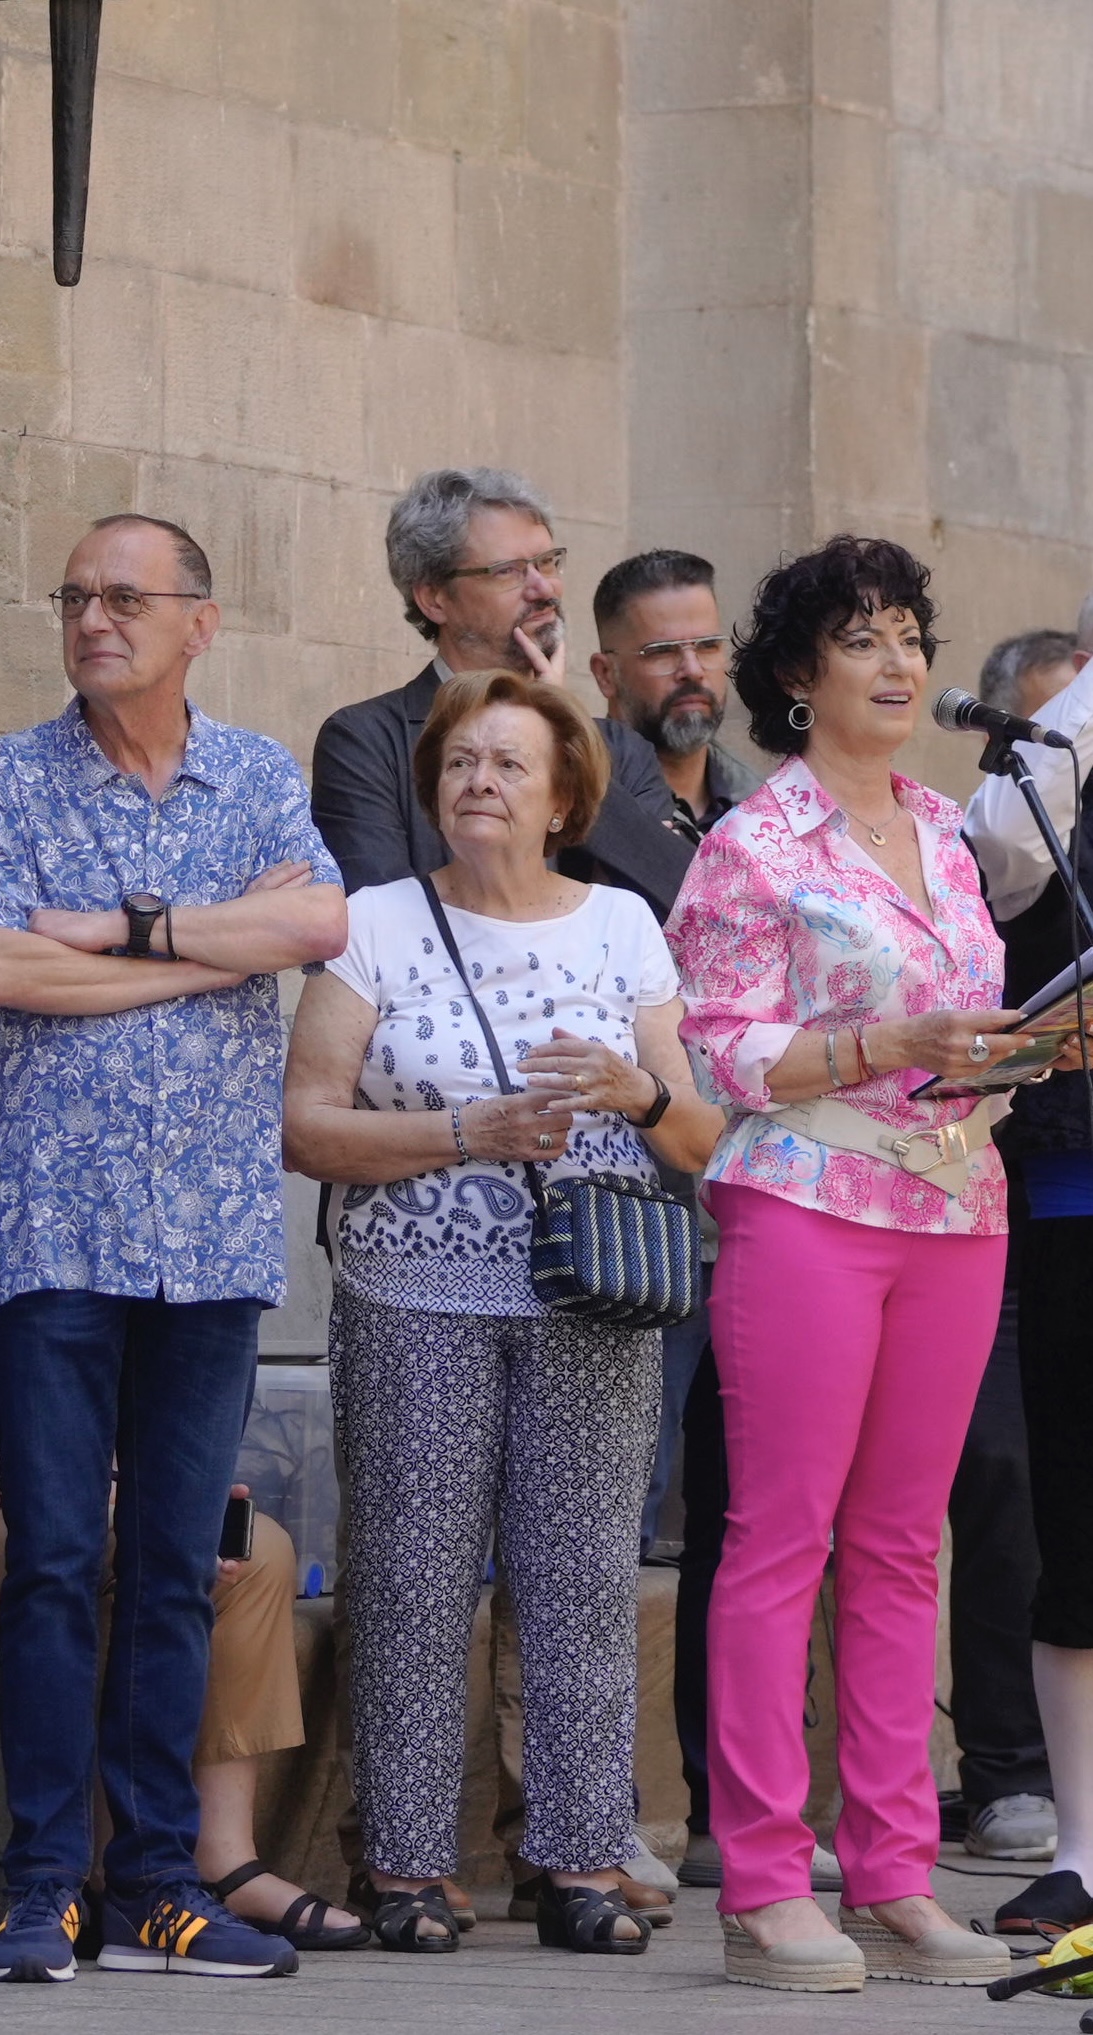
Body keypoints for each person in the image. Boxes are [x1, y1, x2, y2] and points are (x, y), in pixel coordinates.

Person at [0, 512, 345, 1983]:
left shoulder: (256, 775)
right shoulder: (5, 774)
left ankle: (156, 1884)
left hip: (214, 1239)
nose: (92, 617)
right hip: (55, 1229)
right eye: (74, 595)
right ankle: (45, 1877)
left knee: (177, 1563)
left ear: (200, 620)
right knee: (55, 1557)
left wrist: (122, 932)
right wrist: (195, 957)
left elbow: (317, 919)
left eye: (124, 596)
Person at [283, 668, 721, 1956]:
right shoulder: (373, 922)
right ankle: (409, 1871)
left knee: (580, 1576)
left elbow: (697, 1136)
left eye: (506, 764)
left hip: (588, 1291)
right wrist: (463, 1129)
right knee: (410, 1577)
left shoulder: (623, 928)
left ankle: (580, 1862)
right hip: (408, 1289)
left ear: (561, 796)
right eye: (459, 762)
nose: (477, 781)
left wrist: (633, 1089)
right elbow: (306, 1125)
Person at [667, 533, 1032, 1993]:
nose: (896, 664)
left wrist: (1033, 1042)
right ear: (797, 676)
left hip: (958, 1205)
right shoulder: (755, 843)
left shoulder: (951, 831)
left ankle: (891, 1867)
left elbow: (974, 1008)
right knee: (782, 1539)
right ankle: (764, 1874)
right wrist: (885, 1042)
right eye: (862, 639)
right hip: (808, 1202)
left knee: (901, 1544)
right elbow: (717, 1042)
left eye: (909, 636)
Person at [0, 1129, 365, 1953]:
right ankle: (60, 1878)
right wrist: (123, 1483)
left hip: (27, 1501)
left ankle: (217, 1860)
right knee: (83, 1551)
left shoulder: (172, 1216)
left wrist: (157, 1479)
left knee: (246, 1549)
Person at [582, 548, 797, 1895]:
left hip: (769, 1208)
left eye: (707, 648)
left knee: (749, 1523)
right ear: (607, 672)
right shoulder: (581, 810)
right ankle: (586, 1817)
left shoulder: (763, 812)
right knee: (612, 1519)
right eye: (661, 653)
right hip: (642, 1220)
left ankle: (735, 1810)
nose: (692, 675)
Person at [962, 605, 1093, 1937]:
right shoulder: (1042, 791)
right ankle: (1083, 1849)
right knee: (1076, 1530)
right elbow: (999, 853)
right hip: (1073, 1185)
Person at [312, 467, 688, 913]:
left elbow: (680, 903)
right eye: (507, 571)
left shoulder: (618, 750)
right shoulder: (366, 741)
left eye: (549, 562)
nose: (543, 587)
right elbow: (381, 924)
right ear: (435, 599)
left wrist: (559, 734)